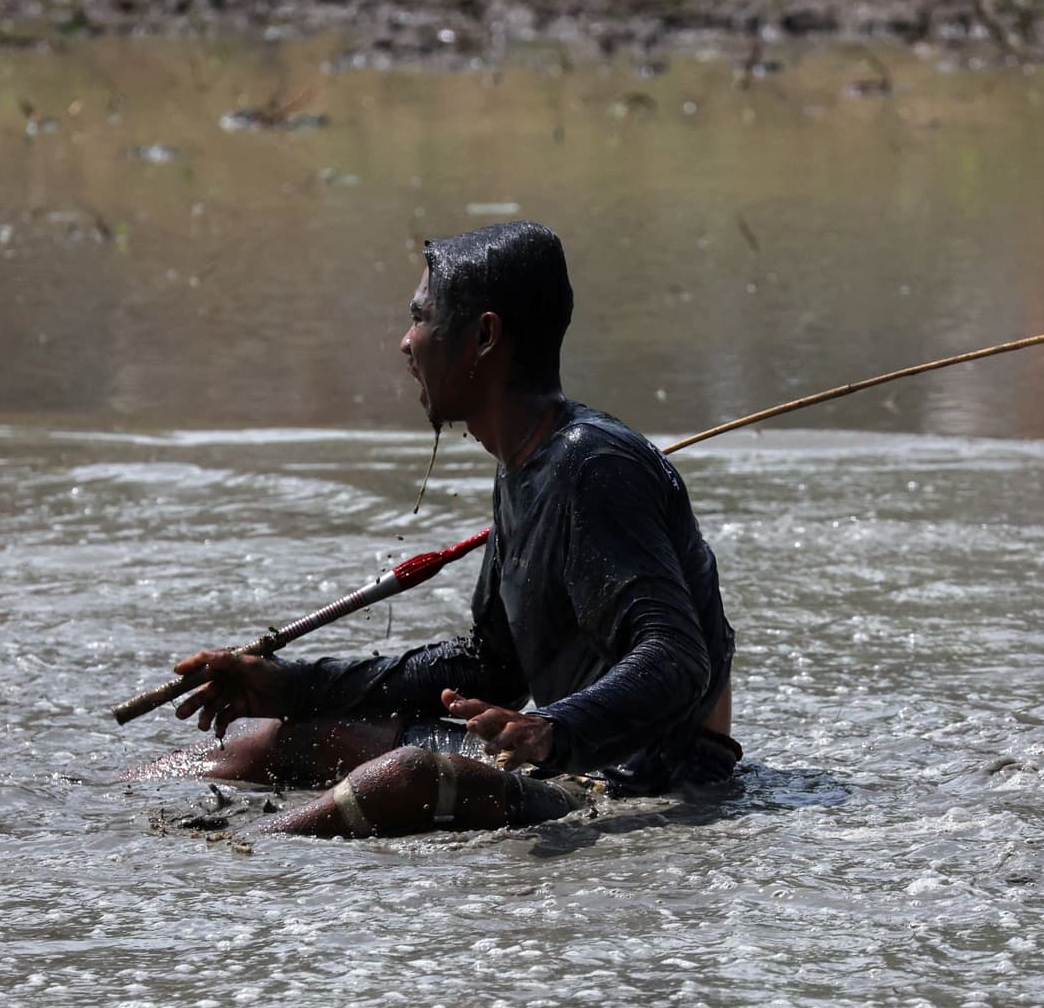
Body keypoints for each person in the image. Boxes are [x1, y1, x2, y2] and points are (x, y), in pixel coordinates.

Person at [164, 221, 738, 836]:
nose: (407, 343)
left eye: (422, 318)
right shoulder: (524, 464)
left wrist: (554, 730)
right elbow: (492, 665)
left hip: (652, 779)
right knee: (279, 737)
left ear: (484, 336)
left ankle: (231, 856)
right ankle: (112, 814)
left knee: (408, 774)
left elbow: (678, 658)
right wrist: (293, 685)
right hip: (568, 757)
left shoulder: (592, 464)